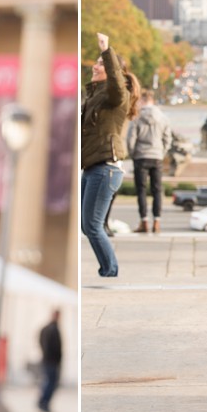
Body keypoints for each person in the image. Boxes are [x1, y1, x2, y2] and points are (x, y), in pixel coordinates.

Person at [81, 32, 140, 277]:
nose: (95, 66)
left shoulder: (117, 96)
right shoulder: (95, 96)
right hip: (92, 167)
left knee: (93, 225)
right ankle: (109, 268)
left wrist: (107, 50)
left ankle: (110, 270)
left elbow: (116, 84)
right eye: (96, 62)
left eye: (101, 63)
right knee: (87, 226)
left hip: (106, 168)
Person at [126, 89, 173, 233]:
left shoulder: (137, 117)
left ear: (142, 101)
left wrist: (133, 153)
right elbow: (167, 138)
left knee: (141, 190)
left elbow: (130, 139)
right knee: (157, 190)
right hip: (157, 156)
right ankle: (157, 221)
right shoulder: (163, 117)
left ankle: (144, 221)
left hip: (141, 156)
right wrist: (161, 151)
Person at [38, 309, 62, 412]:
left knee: (50, 382)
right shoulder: (51, 328)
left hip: (50, 360)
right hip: (51, 361)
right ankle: (44, 402)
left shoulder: (51, 328)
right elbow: (47, 345)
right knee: (50, 383)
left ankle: (43, 402)